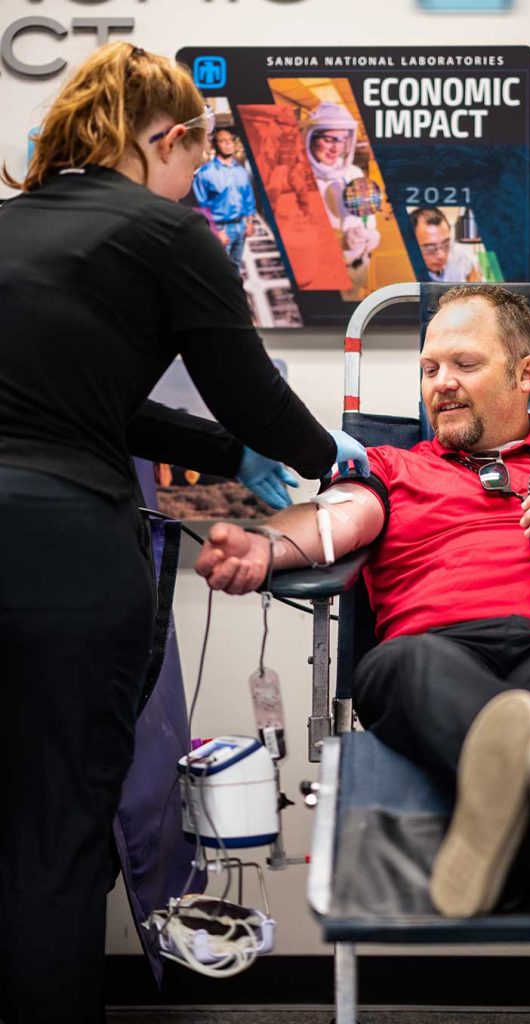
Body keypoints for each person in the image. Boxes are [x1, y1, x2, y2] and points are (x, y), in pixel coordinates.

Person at [0, 42, 368, 1024]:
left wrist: (220, 452)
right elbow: (252, 393)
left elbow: (97, 408)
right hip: (58, 554)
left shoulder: (11, 230)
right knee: (54, 833)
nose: (192, 179)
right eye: (189, 158)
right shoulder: (165, 232)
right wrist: (331, 454)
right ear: (161, 139)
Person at [197, 284, 530, 920]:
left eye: (464, 364)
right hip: (434, 655)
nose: (441, 382)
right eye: (429, 367)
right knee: (400, 664)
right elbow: (336, 520)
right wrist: (263, 546)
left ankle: (496, 816)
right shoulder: (392, 467)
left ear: (527, 373)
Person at [300, 101, 381, 295]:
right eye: (329, 139)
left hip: (355, 276)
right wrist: (340, 242)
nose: (335, 149)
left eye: (342, 140)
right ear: (310, 137)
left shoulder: (353, 173)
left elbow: (368, 218)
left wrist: (371, 236)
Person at [192, 125, 256, 275]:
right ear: (215, 144)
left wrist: (250, 223)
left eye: (230, 140)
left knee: (236, 267)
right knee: (218, 271)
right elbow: (201, 208)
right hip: (220, 229)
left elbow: (248, 199)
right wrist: (215, 231)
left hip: (240, 225)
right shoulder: (205, 173)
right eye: (223, 140)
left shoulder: (240, 171)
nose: (228, 143)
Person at [410, 206, 482, 282]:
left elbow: (474, 282)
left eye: (446, 245)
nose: (441, 256)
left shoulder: (461, 257)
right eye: (430, 249)